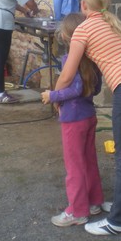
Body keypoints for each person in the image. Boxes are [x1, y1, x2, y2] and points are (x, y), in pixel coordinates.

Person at [48, 0, 121, 236]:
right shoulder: (114, 23)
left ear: (84, 5)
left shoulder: (84, 28)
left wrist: (55, 97)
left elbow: (67, 75)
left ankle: (119, 222)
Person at [41, 13, 106, 227]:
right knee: (88, 160)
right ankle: (94, 201)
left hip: (74, 119)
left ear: (68, 36)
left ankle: (77, 211)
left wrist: (53, 96)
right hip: (89, 115)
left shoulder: (72, 59)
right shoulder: (92, 59)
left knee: (74, 166)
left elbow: (74, 88)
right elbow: (94, 88)